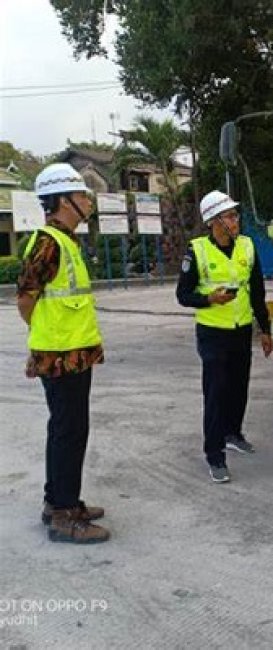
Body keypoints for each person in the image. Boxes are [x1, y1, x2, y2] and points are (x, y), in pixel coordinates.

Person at [16, 163, 109, 544]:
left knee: (68, 429)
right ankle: (64, 515)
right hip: (59, 355)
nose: (88, 200)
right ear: (63, 201)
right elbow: (25, 298)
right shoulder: (48, 242)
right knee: (68, 431)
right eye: (82, 195)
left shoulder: (65, 240)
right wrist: (45, 335)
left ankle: (58, 501)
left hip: (74, 353)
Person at [176, 190, 272, 483]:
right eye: (230, 216)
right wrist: (209, 299)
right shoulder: (197, 251)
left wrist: (265, 330)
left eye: (235, 214)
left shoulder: (247, 247)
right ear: (215, 221)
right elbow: (183, 295)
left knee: (239, 387)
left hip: (241, 331)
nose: (236, 219)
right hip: (212, 335)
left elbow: (257, 291)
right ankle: (215, 455)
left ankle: (233, 433)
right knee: (216, 394)